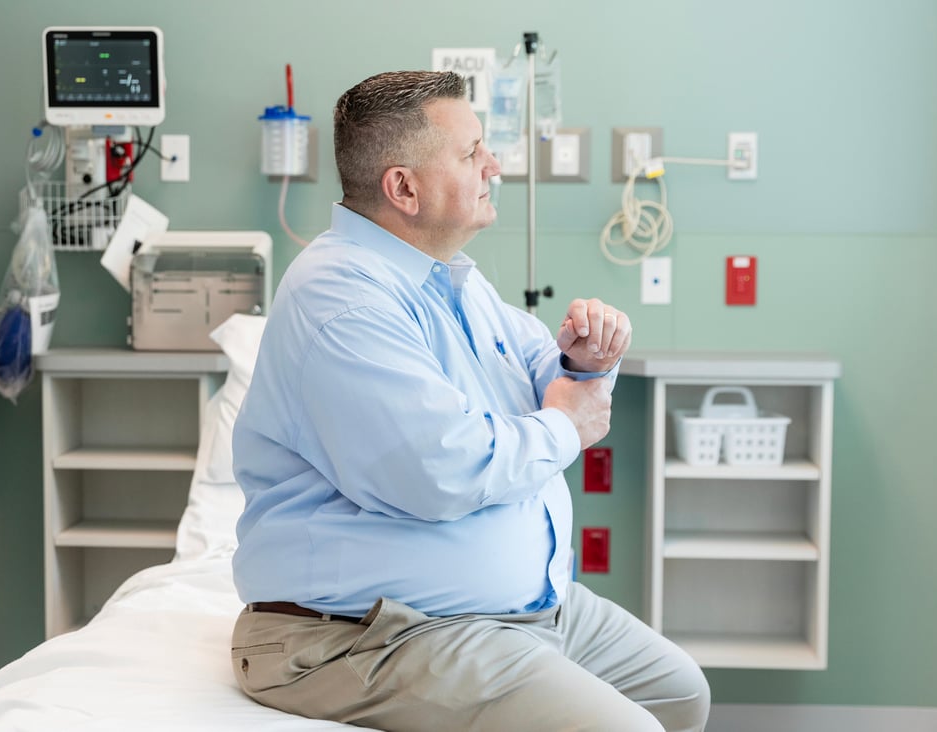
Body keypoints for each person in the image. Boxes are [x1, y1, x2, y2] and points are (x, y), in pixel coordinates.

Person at [229, 70, 709, 732]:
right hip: (363, 634)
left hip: (509, 610)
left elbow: (538, 366)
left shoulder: (448, 277)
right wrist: (566, 425)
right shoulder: (340, 300)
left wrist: (583, 359)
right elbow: (441, 471)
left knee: (681, 693)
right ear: (404, 188)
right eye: (472, 151)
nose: (495, 164)